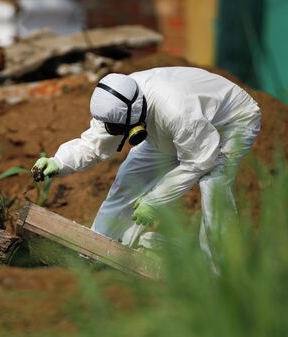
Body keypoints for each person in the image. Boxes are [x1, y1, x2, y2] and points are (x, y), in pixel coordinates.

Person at [31, 67, 261, 259]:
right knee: (128, 179)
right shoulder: (118, 100)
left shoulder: (177, 112)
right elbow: (94, 143)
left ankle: (221, 271)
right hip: (172, 130)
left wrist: (155, 200)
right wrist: (59, 162)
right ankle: (96, 248)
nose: (116, 133)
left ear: (135, 117)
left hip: (231, 122)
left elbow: (199, 161)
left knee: (213, 183)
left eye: (120, 130)